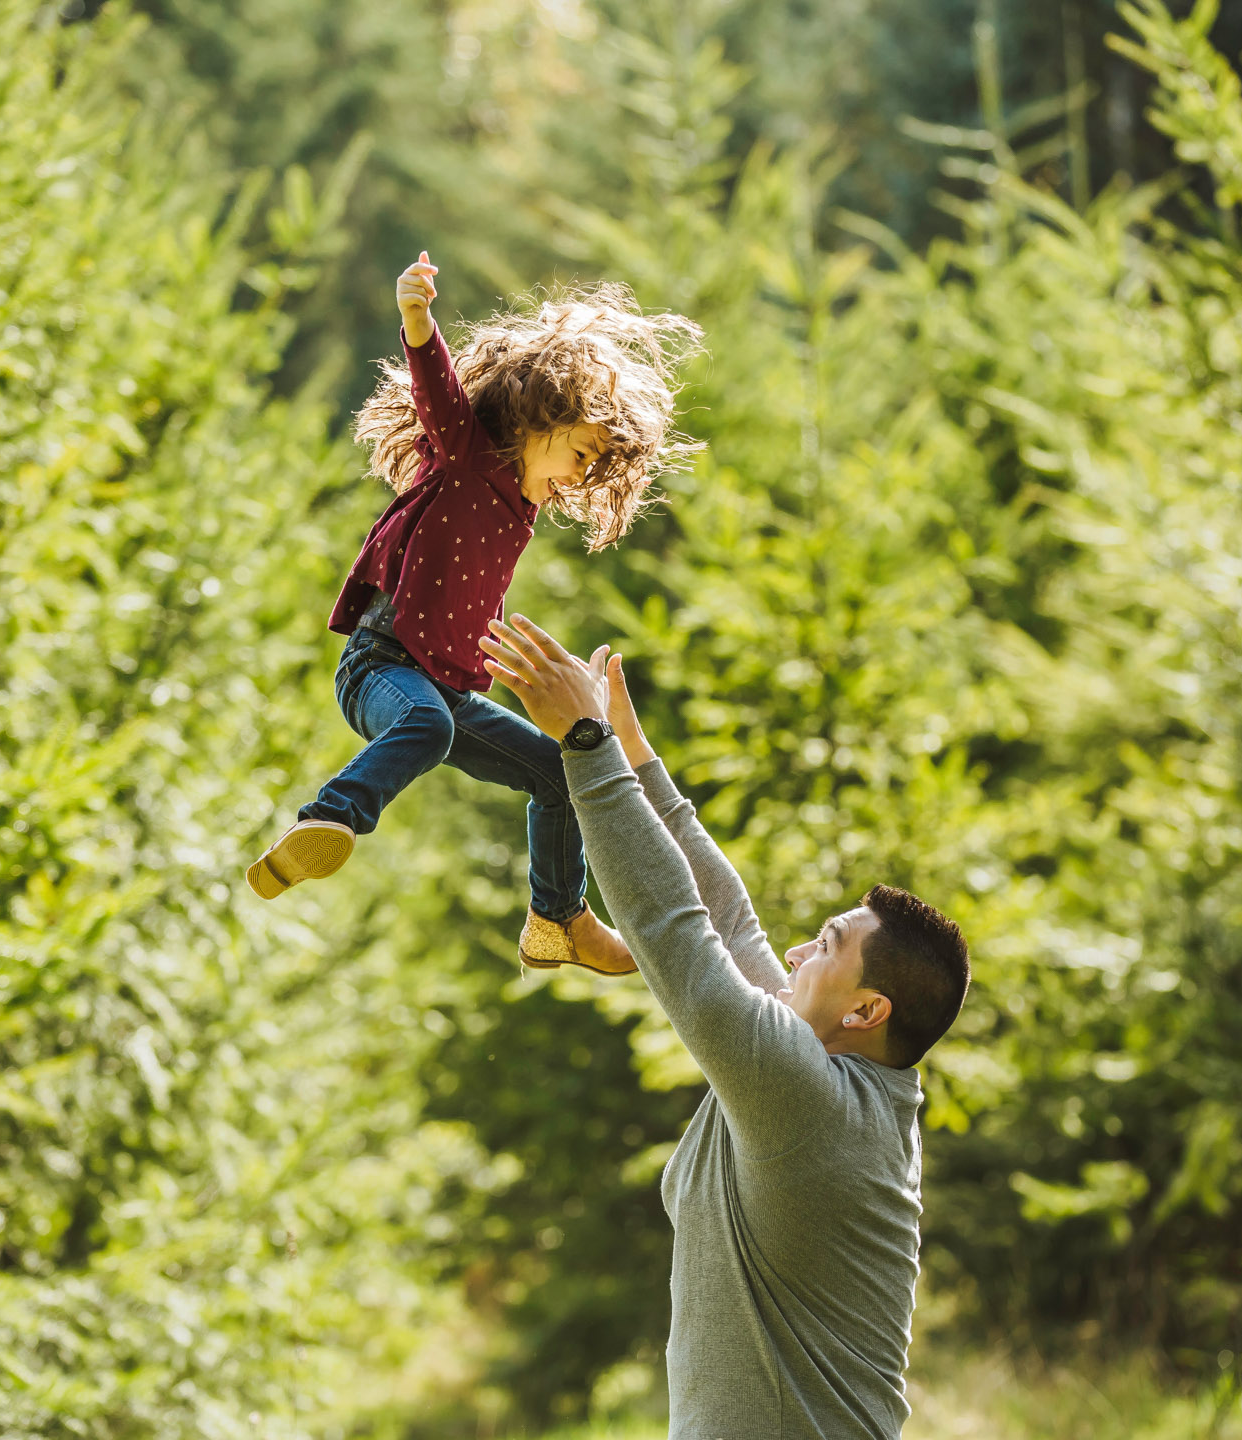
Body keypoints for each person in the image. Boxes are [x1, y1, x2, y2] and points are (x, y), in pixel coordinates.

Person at [480, 614, 971, 1440]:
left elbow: (680, 934)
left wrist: (589, 746)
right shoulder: (835, 1073)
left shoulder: (808, 1097)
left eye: (825, 948)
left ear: (864, 1011)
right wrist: (638, 761)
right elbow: (731, 924)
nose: (794, 950)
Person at [246, 253, 702, 977]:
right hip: (381, 668)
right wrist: (418, 321)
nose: (580, 477)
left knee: (557, 775)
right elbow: (440, 391)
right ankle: (328, 816)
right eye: (580, 452)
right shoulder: (467, 455)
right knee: (425, 725)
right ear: (539, 418)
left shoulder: (520, 507)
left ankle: (557, 919)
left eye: (592, 469)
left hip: (445, 693)